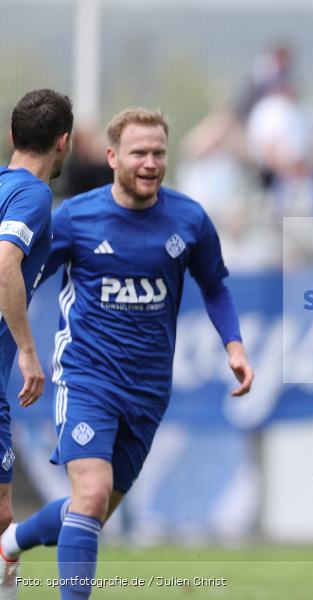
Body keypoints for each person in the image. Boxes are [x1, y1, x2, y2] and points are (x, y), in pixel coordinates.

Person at [0, 108, 255, 600]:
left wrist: (235, 345)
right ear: (113, 157)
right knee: (91, 494)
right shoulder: (74, 218)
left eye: (159, 152)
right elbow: (21, 276)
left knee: (89, 510)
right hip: (86, 378)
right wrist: (22, 345)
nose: (150, 162)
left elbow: (216, 286)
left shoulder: (189, 219)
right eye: (139, 153)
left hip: (149, 389)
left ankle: (10, 544)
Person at [0, 88, 73, 587]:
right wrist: (29, 350)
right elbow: (6, 262)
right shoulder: (33, 194)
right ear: (63, 142)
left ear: (12, 134)